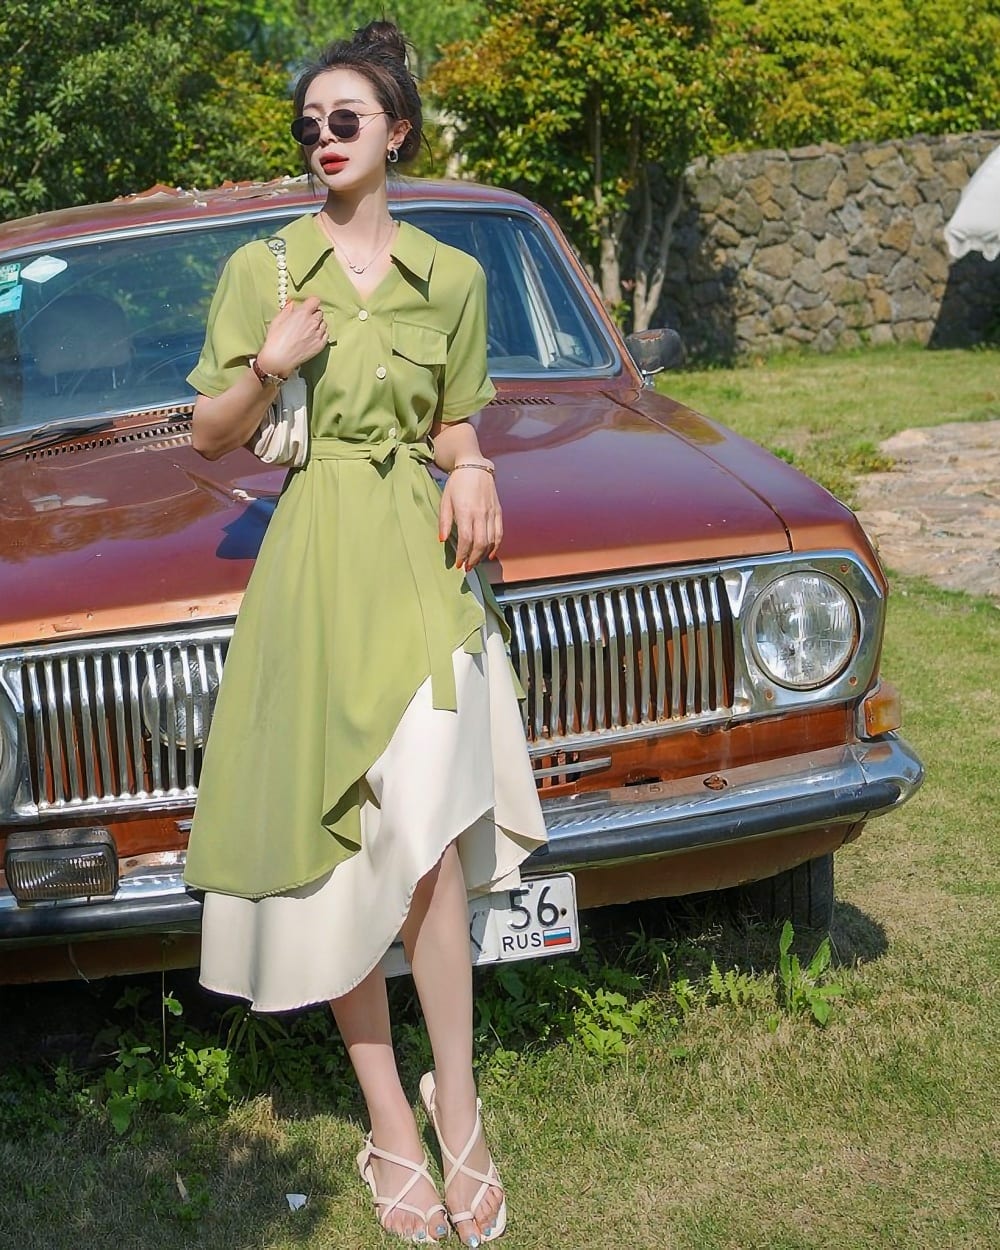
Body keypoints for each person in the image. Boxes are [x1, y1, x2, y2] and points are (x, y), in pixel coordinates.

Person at [182, 19, 547, 1248]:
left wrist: (477, 463)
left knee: (430, 845)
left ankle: (465, 1106)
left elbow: (452, 420)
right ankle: (389, 1115)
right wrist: (270, 367)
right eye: (309, 125)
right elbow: (209, 436)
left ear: (396, 132)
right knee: (347, 849)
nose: (324, 139)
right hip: (317, 571)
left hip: (422, 566)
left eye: (346, 120)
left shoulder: (454, 274)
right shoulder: (269, 270)